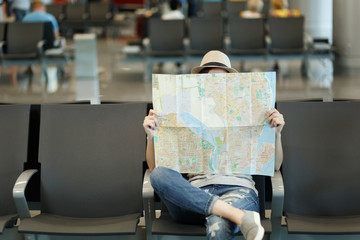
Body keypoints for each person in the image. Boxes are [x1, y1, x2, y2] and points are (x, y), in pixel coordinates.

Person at [143, 50, 285, 240]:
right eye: (209, 83)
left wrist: (277, 134)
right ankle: (238, 216)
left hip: (238, 190)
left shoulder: (248, 113)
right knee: (159, 174)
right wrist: (151, 136)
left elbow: (275, 166)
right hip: (194, 196)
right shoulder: (186, 118)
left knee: (218, 223)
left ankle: (228, 212)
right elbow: (154, 168)